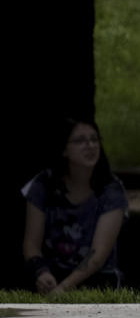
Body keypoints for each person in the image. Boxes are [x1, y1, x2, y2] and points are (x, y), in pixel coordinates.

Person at [21, 118, 128, 295]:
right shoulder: (43, 185)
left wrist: (63, 289)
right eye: (80, 141)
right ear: (64, 150)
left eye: (94, 139)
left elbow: (97, 256)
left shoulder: (112, 190)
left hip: (97, 279)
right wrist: (41, 273)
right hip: (52, 276)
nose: (90, 145)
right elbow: (31, 244)